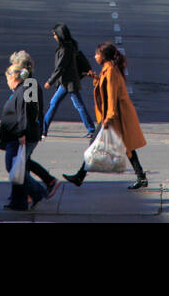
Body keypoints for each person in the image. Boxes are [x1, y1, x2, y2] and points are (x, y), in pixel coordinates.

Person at [63, 43, 148, 189]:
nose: (95, 56)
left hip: (115, 115)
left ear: (103, 56)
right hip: (113, 114)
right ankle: (141, 176)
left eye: (97, 54)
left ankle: (80, 176)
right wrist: (95, 78)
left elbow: (112, 96)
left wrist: (108, 118)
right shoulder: (107, 70)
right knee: (125, 147)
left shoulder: (110, 71)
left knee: (96, 144)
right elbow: (104, 89)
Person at [0, 62, 49, 210]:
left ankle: (37, 191)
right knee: (18, 168)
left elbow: (26, 113)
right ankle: (18, 200)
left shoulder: (26, 88)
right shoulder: (22, 88)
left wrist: (22, 133)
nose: (7, 83)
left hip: (20, 136)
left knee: (14, 166)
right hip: (16, 135)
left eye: (8, 79)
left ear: (15, 78)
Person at [9, 50, 60, 197]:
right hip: (30, 130)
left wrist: (22, 132)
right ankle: (47, 182)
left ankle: (33, 192)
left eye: (14, 67)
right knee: (24, 161)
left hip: (30, 131)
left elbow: (28, 112)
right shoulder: (25, 84)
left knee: (20, 163)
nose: (11, 71)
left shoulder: (29, 85)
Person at [42, 25, 96, 139]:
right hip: (67, 82)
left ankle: (43, 130)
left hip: (69, 82)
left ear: (60, 35)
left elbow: (60, 68)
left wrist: (50, 81)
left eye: (55, 34)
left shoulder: (65, 49)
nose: (54, 37)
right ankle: (43, 129)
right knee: (56, 104)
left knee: (74, 105)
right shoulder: (68, 46)